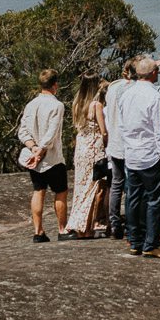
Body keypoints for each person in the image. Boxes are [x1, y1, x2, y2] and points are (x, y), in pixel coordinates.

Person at [117, 61, 160, 258]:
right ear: (154, 73)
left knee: (132, 199)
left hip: (131, 154)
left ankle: (134, 241)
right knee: (154, 200)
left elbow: (122, 126)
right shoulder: (154, 96)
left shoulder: (126, 95)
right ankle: (150, 244)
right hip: (150, 154)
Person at [18, 68, 71, 242]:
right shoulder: (57, 105)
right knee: (61, 192)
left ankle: (38, 231)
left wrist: (33, 148)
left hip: (35, 158)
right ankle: (62, 229)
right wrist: (41, 150)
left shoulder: (31, 104)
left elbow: (22, 131)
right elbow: (52, 133)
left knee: (38, 191)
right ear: (55, 85)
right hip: (52, 158)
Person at [64, 72, 108, 237]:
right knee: (93, 187)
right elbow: (103, 131)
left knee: (81, 188)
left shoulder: (76, 104)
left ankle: (77, 222)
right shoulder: (96, 105)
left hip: (81, 147)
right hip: (94, 147)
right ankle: (85, 226)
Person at [104, 59, 137, 240]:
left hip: (114, 143)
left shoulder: (111, 89)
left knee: (116, 185)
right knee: (131, 187)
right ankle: (131, 226)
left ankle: (114, 223)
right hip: (128, 144)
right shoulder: (132, 90)